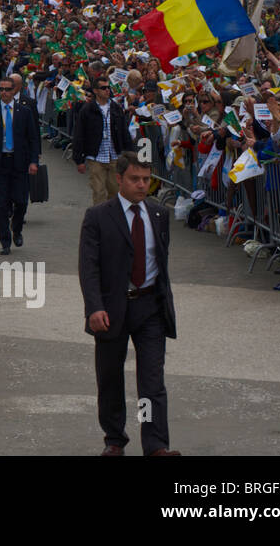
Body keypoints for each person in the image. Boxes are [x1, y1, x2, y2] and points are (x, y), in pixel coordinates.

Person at [78, 152, 179, 456]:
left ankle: (156, 445)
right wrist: (94, 307)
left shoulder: (159, 215)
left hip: (150, 308)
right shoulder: (98, 216)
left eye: (146, 180)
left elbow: (161, 261)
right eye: (135, 179)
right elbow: (88, 266)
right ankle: (114, 440)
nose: (141, 185)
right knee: (110, 378)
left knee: (152, 383)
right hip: (111, 308)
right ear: (119, 179)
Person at [0, 77, 41, 254]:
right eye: (2, 89)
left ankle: (17, 228)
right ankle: (5, 242)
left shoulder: (24, 111)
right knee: (0, 205)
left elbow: (33, 138)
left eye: (7, 89)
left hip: (19, 162)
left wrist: (34, 161)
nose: (4, 92)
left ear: (14, 91)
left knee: (21, 201)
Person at [73, 77, 133, 204]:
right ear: (95, 90)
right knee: (99, 192)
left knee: (115, 192)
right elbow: (79, 134)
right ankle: (99, 221)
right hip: (96, 157)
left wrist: (130, 154)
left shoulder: (116, 108)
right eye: (103, 88)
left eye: (108, 87)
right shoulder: (87, 110)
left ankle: (112, 220)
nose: (107, 90)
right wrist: (79, 160)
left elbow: (124, 132)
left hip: (114, 157)